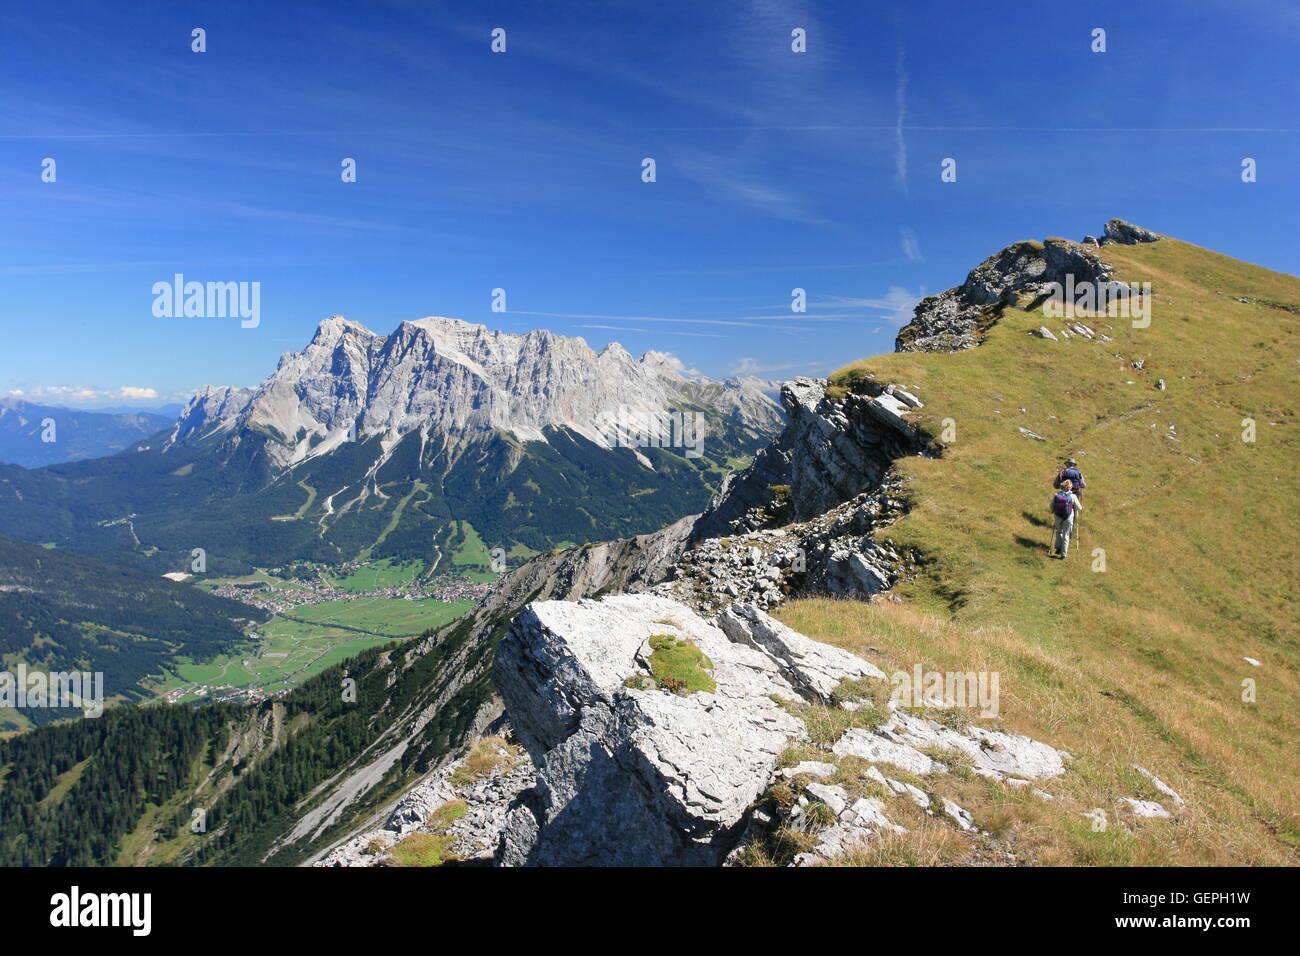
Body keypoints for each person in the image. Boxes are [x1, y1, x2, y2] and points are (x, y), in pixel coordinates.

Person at [1050, 479, 1082, 559]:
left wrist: (1053, 511)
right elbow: (1079, 508)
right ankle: (1063, 554)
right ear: (1070, 487)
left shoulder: (1057, 495)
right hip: (1068, 517)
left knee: (1058, 532)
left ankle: (1058, 548)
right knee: (1066, 535)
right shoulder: (1072, 496)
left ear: (1062, 486)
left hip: (1057, 516)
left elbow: (1051, 506)